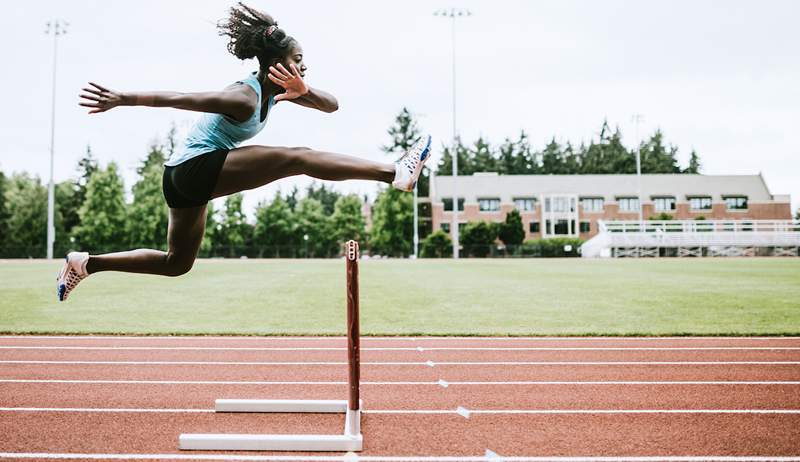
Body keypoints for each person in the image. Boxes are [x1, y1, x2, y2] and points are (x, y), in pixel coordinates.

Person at [58, 2, 431, 301]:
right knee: (297, 156)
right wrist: (123, 98)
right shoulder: (245, 96)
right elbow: (183, 97)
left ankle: (85, 263)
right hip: (193, 168)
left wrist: (303, 89)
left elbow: (332, 106)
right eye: (299, 59)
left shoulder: (278, 92)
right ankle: (394, 172)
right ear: (276, 63)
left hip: (181, 178)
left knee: (176, 263)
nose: (304, 65)